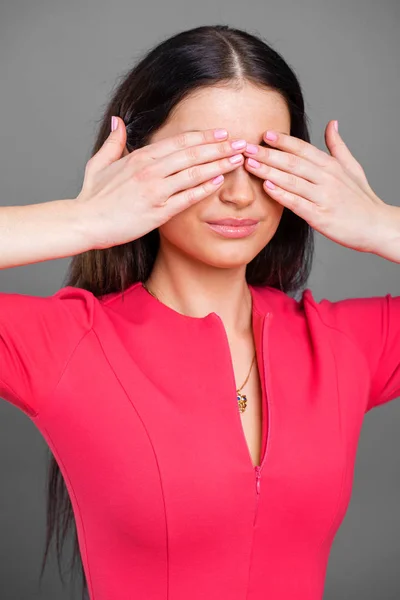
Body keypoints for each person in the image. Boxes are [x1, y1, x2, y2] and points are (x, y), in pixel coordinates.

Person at [1, 23, 399, 600]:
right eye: (206, 157)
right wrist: (83, 220)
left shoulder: (342, 343)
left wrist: (382, 225)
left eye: (264, 158)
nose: (239, 193)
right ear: (139, 166)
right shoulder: (66, 346)